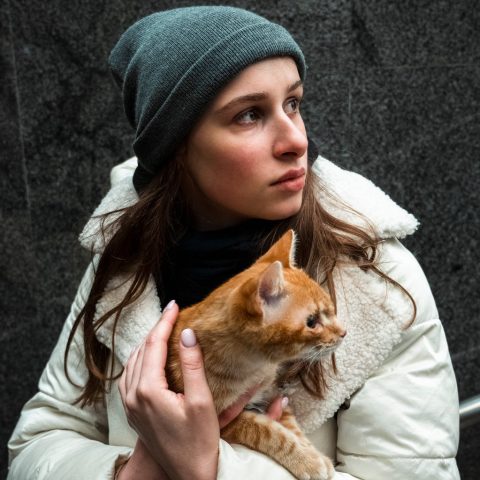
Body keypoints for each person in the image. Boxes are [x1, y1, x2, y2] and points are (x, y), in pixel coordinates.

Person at [7, 6, 460, 480]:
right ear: (176, 146)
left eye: (294, 103)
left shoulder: (376, 275)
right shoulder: (125, 260)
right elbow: (38, 443)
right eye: (249, 115)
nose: (296, 140)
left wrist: (207, 468)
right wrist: (135, 473)